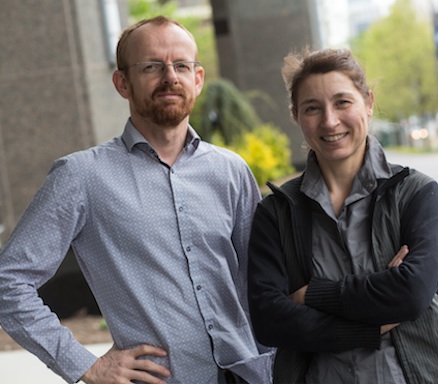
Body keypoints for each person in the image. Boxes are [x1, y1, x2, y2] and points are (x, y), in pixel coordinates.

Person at [0, 16, 273, 384]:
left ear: (198, 79)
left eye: (181, 65)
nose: (170, 77)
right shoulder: (81, 176)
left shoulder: (231, 171)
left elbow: (261, 282)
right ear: (122, 83)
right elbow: (8, 282)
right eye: (151, 66)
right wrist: (85, 365)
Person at [247, 48, 438, 384]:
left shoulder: (415, 193)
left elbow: (411, 294)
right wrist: (369, 325)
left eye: (342, 102)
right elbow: (270, 319)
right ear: (296, 115)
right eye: (312, 108)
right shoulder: (276, 212)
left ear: (369, 102)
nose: (330, 120)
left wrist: (313, 295)